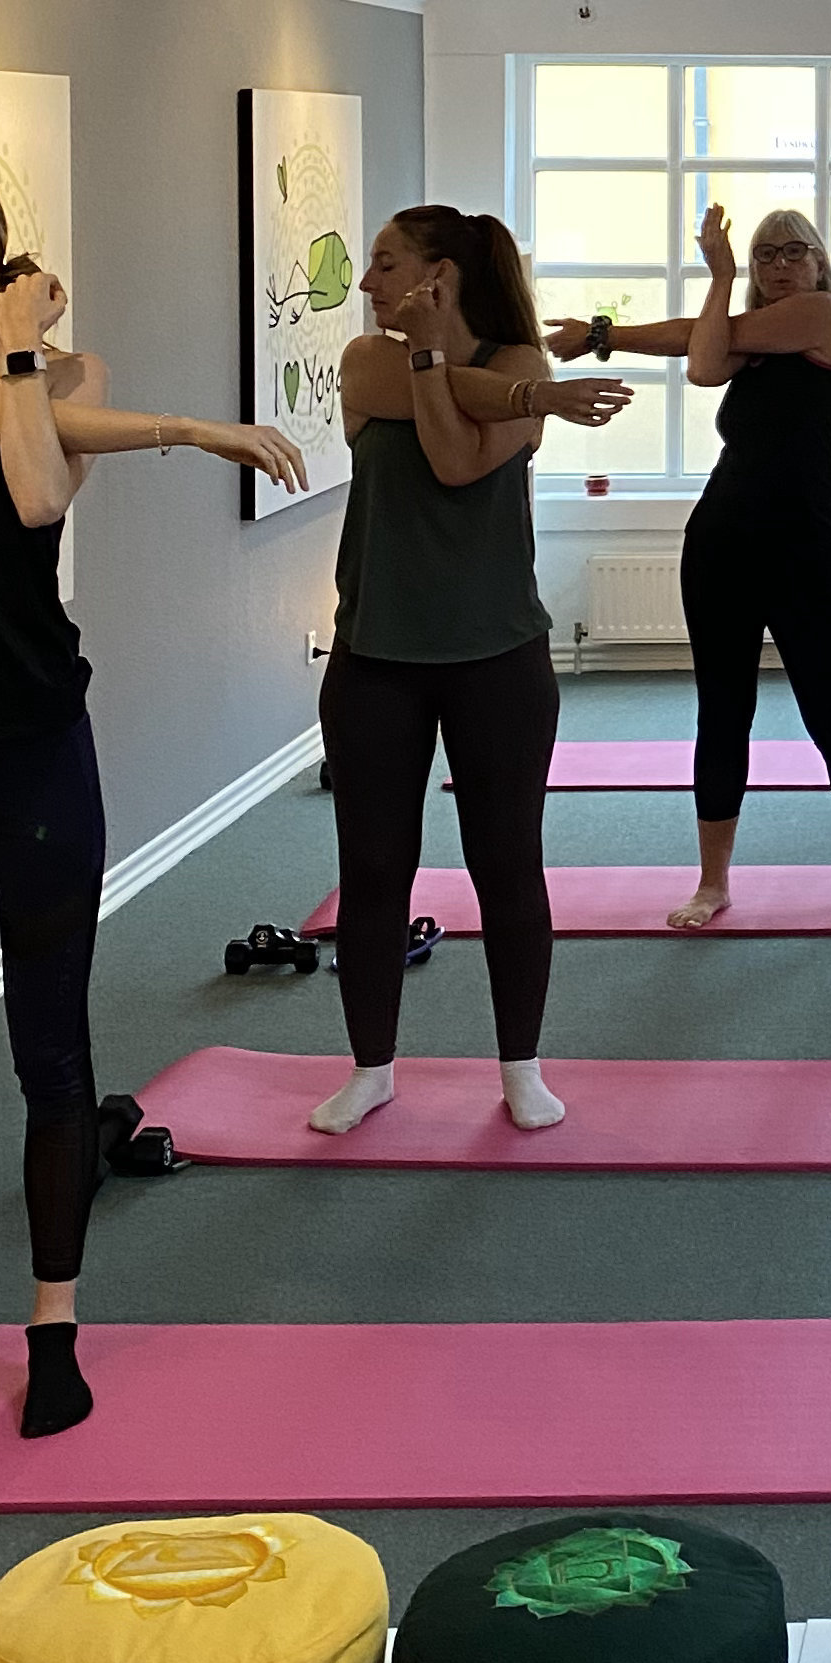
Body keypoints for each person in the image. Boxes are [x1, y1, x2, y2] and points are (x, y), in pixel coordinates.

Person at [0, 162, 305, 1438]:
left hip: (36, 743)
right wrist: (190, 428)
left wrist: (33, 363)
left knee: (51, 1047)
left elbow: (36, 489)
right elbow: (1, 431)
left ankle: (52, 1330)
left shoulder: (68, 376)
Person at [309, 205, 632, 1138]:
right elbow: (461, 407)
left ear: (438, 276)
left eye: (386, 264)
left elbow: (454, 460)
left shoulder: (518, 359)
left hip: (498, 658)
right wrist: (529, 398)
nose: (367, 283)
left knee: (506, 866)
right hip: (377, 659)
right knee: (374, 871)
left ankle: (522, 1068)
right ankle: (371, 1069)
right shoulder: (368, 361)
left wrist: (502, 386)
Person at [598, 205, 831, 928]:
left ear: (819, 262)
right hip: (722, 538)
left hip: (809, 543)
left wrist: (713, 278)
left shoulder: (823, 315)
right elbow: (705, 355)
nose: (780, 264)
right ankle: (712, 882)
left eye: (794, 251)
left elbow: (700, 355)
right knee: (723, 711)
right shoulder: (748, 337)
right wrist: (608, 334)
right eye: (764, 255)